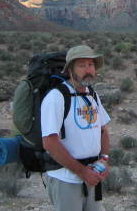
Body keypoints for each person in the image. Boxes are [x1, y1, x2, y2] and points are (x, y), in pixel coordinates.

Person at [41, 45, 110, 211]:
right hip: (65, 179)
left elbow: (103, 130)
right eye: (81, 65)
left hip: (92, 176)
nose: (88, 70)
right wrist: (82, 172)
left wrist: (104, 159)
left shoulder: (91, 94)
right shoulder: (56, 97)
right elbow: (50, 143)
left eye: (91, 65)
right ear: (70, 70)